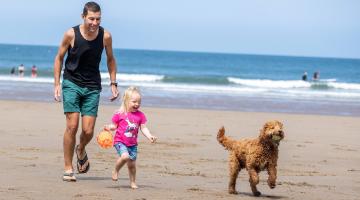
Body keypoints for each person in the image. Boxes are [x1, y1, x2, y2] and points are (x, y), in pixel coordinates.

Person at [53, 1, 119, 182]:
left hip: (92, 86)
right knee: (72, 126)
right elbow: (59, 58)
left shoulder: (105, 36)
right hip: (71, 83)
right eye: (91, 19)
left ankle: (80, 148)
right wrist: (57, 83)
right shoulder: (71, 34)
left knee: (88, 131)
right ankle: (68, 168)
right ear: (83, 16)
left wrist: (113, 82)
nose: (95, 23)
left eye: (98, 19)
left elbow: (111, 59)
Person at [104, 86, 157, 189]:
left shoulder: (140, 115)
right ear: (126, 100)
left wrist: (149, 136)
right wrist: (109, 127)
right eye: (134, 102)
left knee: (132, 165)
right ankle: (115, 170)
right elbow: (114, 126)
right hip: (120, 141)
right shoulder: (119, 114)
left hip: (132, 144)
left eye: (139, 102)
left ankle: (132, 182)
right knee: (125, 156)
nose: (137, 104)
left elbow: (143, 128)